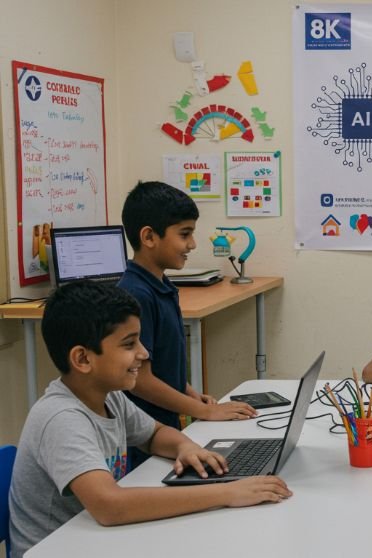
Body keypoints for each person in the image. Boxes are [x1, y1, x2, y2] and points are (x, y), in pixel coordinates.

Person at [7, 282, 291, 558]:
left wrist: (185, 447)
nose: (143, 353)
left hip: (100, 541)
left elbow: (153, 435)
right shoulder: (61, 419)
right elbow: (110, 506)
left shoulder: (109, 396)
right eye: (129, 344)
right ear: (82, 359)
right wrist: (225, 493)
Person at [118, 182, 255, 468]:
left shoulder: (161, 285)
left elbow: (163, 361)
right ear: (149, 237)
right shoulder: (136, 294)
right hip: (147, 437)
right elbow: (140, 382)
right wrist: (202, 412)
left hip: (168, 425)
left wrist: (193, 395)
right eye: (185, 234)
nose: (192, 244)